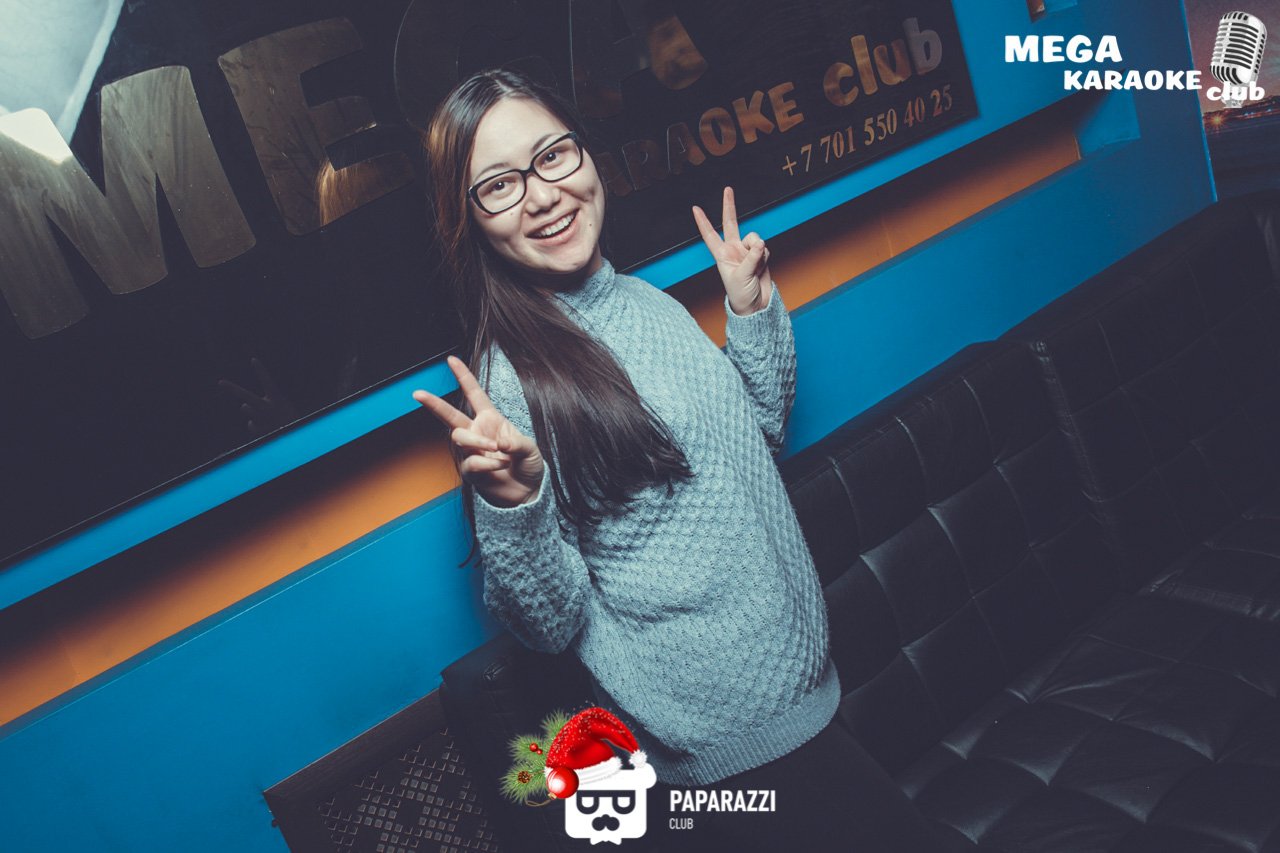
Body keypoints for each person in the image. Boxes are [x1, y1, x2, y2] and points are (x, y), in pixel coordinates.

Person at [411, 67, 948, 851]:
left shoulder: (640, 301)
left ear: (586, 155)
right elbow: (547, 625)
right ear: (471, 219)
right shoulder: (512, 381)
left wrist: (751, 310)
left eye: (552, 155)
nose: (542, 194)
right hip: (724, 741)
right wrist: (515, 502)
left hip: (796, 686)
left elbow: (752, 444)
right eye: (499, 185)